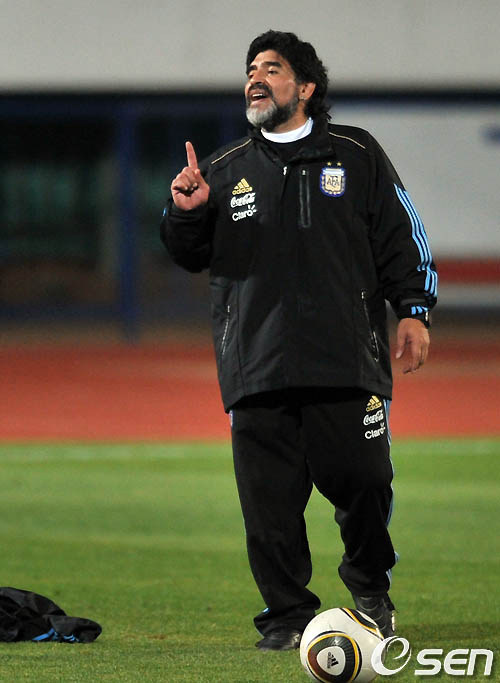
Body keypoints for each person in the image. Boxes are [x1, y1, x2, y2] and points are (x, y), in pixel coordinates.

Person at [161, 30, 437, 651]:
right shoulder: (224, 170)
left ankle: (370, 590)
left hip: (346, 358)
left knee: (365, 482)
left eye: (272, 68)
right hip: (256, 364)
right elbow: (188, 254)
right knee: (269, 509)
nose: (255, 79)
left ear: (305, 87)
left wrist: (414, 310)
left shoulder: (356, 153)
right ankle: (287, 617)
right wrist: (185, 212)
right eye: (250, 70)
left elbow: (402, 235)